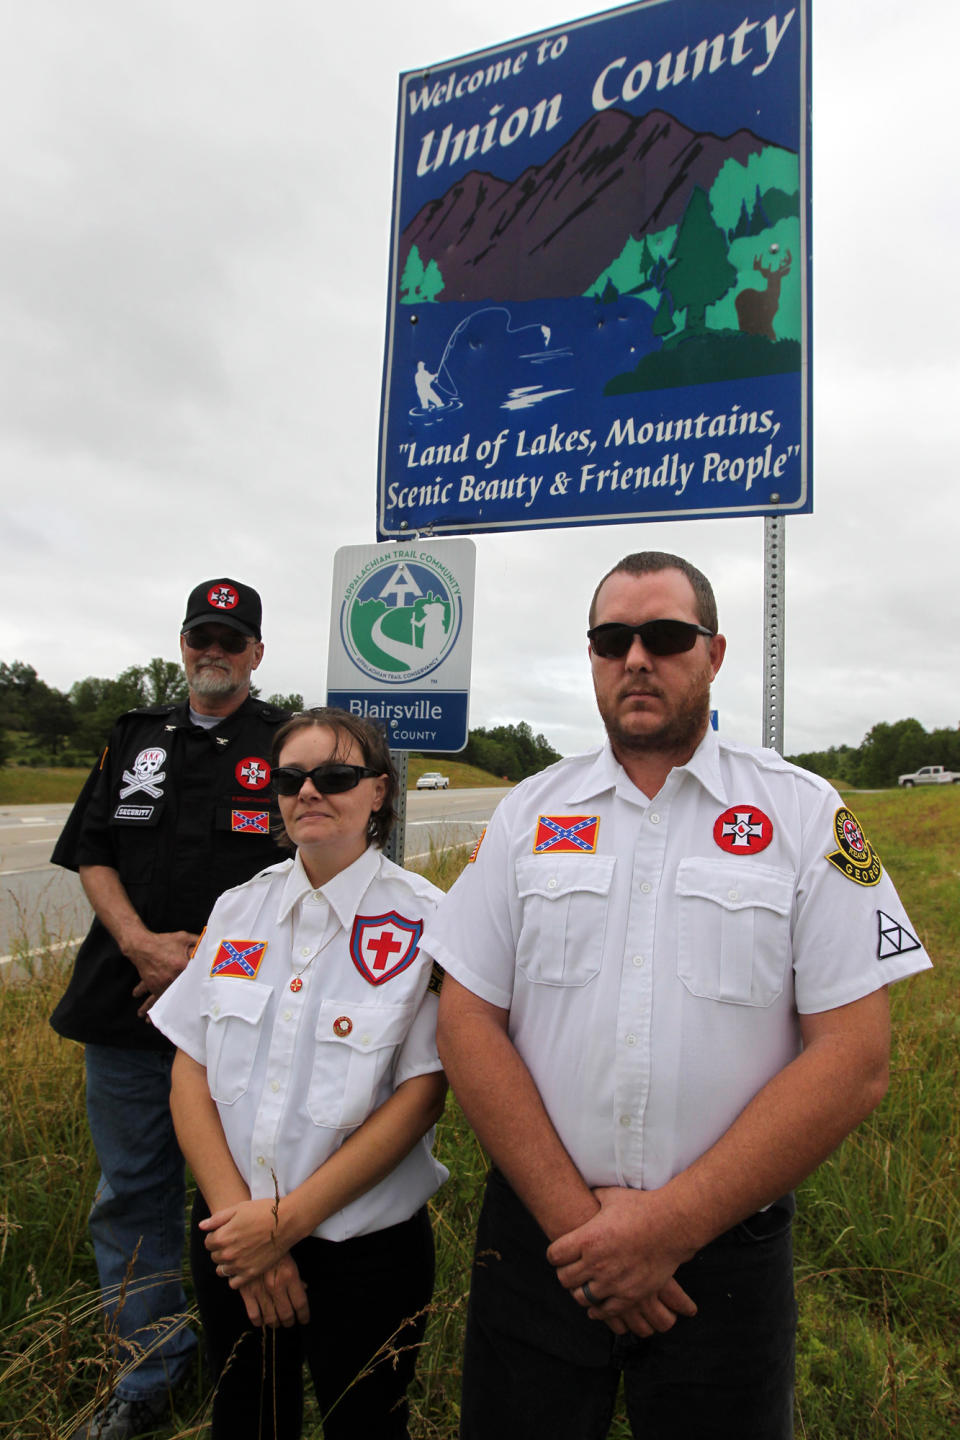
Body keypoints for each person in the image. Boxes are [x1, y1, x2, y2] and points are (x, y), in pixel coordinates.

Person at [425, 550, 932, 1440]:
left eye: (664, 636)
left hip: (722, 1257)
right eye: (610, 639)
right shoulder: (526, 815)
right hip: (545, 1245)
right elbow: (467, 1021)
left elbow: (855, 1059)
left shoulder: (805, 815)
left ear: (715, 653)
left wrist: (666, 1230)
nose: (636, 659)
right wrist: (585, 1230)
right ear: (591, 658)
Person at [149, 708, 447, 1440]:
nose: (309, 791)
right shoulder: (238, 910)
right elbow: (190, 1066)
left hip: (363, 1246)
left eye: (335, 776)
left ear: (379, 792)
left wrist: (286, 1225)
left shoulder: (429, 920)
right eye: (291, 778)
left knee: (367, 1424)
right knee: (247, 1420)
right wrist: (243, 1233)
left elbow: (422, 1095)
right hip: (231, 1230)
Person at [51, 578, 290, 1440]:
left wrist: (196, 975)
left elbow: (307, 877)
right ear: (182, 645)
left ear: (258, 653)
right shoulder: (133, 740)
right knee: (132, 1196)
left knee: (247, 1194)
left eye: (231, 638)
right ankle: (149, 1375)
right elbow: (93, 852)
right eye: (200, 636)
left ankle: (247, 1368)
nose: (213, 651)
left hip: (241, 1022)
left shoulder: (287, 744)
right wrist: (142, 945)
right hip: (125, 1012)